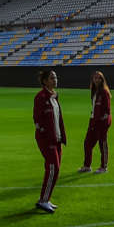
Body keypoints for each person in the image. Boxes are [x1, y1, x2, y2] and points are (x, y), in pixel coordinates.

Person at [33, 69, 66, 213]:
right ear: (45, 81)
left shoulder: (54, 96)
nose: (55, 80)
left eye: (56, 77)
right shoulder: (41, 97)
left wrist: (60, 136)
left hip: (57, 138)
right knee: (53, 168)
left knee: (56, 169)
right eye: (52, 78)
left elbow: (57, 119)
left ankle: (46, 198)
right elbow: (37, 120)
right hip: (47, 139)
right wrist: (45, 134)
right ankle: (43, 200)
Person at [78, 70, 112, 174]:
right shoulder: (94, 91)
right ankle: (87, 166)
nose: (96, 80)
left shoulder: (104, 92)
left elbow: (107, 110)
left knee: (102, 144)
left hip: (101, 123)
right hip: (93, 121)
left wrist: (103, 123)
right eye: (95, 78)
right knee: (87, 143)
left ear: (102, 80)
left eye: (98, 78)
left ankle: (103, 167)